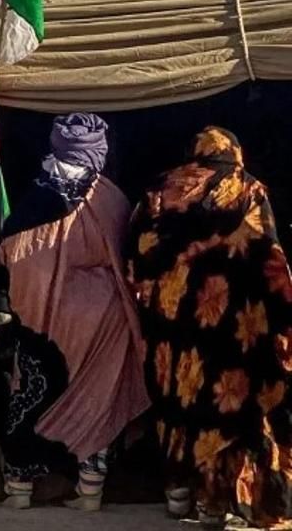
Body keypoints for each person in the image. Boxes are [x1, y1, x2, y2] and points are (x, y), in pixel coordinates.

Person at [128, 127, 292, 527]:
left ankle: (178, 491)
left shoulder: (161, 190)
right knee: (225, 408)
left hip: (172, 327)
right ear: (234, 153)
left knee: (178, 403)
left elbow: (138, 250)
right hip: (231, 325)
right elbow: (267, 253)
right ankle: (215, 500)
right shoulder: (247, 189)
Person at [0, 113, 148, 512]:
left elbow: (15, 261)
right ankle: (90, 490)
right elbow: (132, 258)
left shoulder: (36, 199)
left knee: (32, 394)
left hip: (48, 320)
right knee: (97, 399)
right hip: (107, 319)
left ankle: (20, 489)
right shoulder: (112, 198)